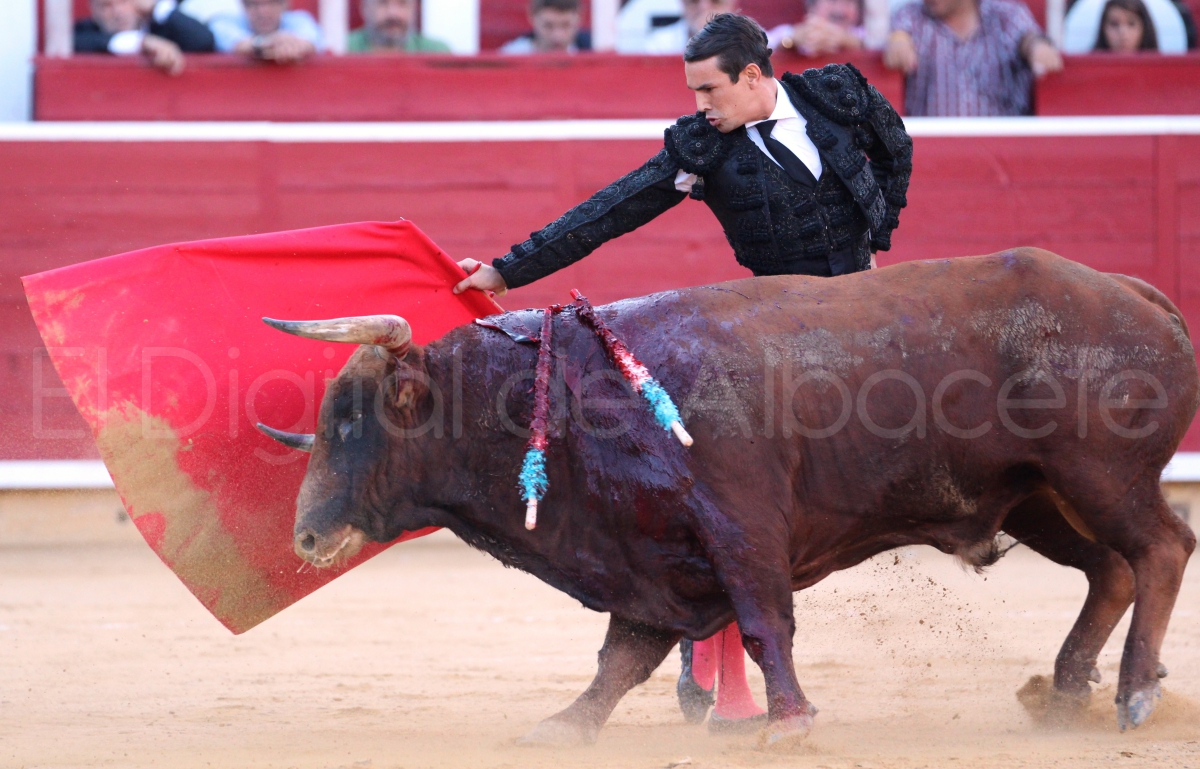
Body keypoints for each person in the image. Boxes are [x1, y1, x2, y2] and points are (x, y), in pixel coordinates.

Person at [452, 12, 912, 731]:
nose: (700, 105)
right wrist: (507, 271)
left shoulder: (837, 94)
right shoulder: (704, 147)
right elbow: (611, 210)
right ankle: (714, 660)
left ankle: (711, 656)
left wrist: (876, 235)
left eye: (709, 89)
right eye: (693, 91)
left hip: (859, 319)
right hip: (774, 335)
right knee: (747, 510)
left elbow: (894, 148)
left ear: (753, 77)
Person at [883, 0, 1063, 116]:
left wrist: (1038, 48)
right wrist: (898, 43)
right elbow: (899, 36)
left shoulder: (1006, 15)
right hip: (933, 151)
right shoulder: (913, 16)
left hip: (1006, 150)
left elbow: (1029, 38)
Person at [75, 0, 215, 75]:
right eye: (106, 6)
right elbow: (77, 42)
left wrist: (155, 8)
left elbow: (204, 40)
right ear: (93, 9)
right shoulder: (84, 31)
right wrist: (142, 42)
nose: (118, 12)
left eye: (124, 1)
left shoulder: (163, 28)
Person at [210, 0, 323, 63]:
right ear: (243, 6)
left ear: (285, 4)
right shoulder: (225, 22)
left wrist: (292, 45)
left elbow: (310, 39)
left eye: (272, 2)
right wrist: (267, 43)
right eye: (253, 4)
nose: (263, 11)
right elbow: (232, 40)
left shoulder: (300, 19)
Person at [620, 0, 737, 54]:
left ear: (731, 3)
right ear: (682, 3)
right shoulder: (660, 43)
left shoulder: (744, 41)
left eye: (715, 1)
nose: (704, 7)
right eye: (694, 1)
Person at [767, 0, 867, 56]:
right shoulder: (786, 32)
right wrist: (791, 42)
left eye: (849, 2)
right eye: (833, 1)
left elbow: (873, 45)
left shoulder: (867, 34)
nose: (840, 9)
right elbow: (761, 51)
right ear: (812, 6)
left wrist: (847, 41)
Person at [347, 0, 452, 53]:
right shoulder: (343, 49)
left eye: (402, 3)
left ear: (414, 9)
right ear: (364, 8)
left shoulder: (437, 54)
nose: (393, 13)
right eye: (382, 3)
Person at [500, 0, 592, 54]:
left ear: (580, 17)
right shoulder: (511, 56)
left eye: (566, 25)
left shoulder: (593, 48)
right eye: (548, 26)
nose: (557, 36)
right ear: (532, 17)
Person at [1095, 0, 1159, 50]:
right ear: (1103, 28)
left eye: (1131, 24)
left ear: (1145, 27)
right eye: (1114, 24)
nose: (1123, 32)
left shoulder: (1161, 62)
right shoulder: (1089, 62)